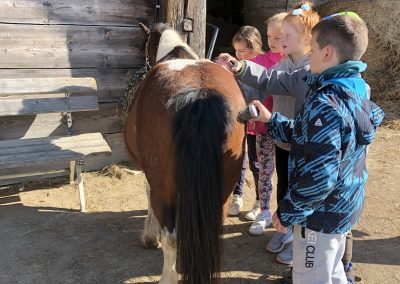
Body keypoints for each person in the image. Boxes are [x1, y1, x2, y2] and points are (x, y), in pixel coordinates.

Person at [245, 12, 384, 284]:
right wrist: (272, 121)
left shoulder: (326, 104)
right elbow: (317, 139)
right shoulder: (353, 89)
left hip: (318, 217)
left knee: (311, 277)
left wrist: (288, 211)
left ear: (327, 53)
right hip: (342, 205)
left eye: (314, 49)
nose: (309, 55)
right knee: (332, 272)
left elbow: (319, 175)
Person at [219, 2, 320, 264]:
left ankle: (301, 242)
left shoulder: (313, 68)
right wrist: (233, 76)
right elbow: (261, 86)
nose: (279, 41)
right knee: (285, 188)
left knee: (302, 192)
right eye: (277, 36)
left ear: (308, 39)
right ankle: (288, 232)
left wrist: (242, 69)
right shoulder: (284, 64)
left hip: (306, 145)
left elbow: (269, 81)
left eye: (286, 36)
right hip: (283, 140)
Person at [248, 12, 286, 235]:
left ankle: (283, 215)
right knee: (265, 170)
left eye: (279, 37)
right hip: (264, 128)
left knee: (286, 174)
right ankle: (263, 211)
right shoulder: (259, 61)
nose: (272, 41)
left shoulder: (293, 62)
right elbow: (247, 77)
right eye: (269, 36)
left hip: (287, 130)